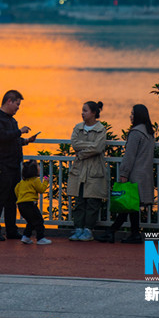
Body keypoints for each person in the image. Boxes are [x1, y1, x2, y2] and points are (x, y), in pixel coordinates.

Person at [0, 89, 38, 241]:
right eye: (17, 104)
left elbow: (12, 140)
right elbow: (1, 138)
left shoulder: (11, 120)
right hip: (2, 165)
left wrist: (25, 141)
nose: (18, 108)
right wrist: (19, 132)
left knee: (12, 199)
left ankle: (11, 230)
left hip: (14, 165)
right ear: (9, 101)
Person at [111, 103, 155, 244]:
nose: (130, 116)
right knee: (132, 205)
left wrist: (124, 173)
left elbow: (129, 156)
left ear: (138, 116)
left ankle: (111, 232)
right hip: (145, 173)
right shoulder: (149, 132)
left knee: (128, 204)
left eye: (132, 114)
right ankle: (132, 233)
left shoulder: (136, 132)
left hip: (134, 174)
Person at [67, 100, 109, 242]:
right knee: (79, 200)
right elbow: (75, 143)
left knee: (92, 201)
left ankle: (88, 230)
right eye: (82, 110)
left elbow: (98, 148)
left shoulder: (101, 129)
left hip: (94, 169)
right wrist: (90, 146)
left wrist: (82, 152)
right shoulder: (78, 127)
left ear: (93, 113)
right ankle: (78, 228)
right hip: (80, 169)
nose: (82, 113)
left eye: (85, 110)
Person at [15, 159, 51, 245]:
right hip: (30, 204)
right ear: (34, 171)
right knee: (39, 221)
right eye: (38, 166)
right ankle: (40, 238)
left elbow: (16, 190)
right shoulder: (35, 180)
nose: (39, 167)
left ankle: (26, 237)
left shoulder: (21, 182)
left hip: (21, 205)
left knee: (31, 221)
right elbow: (41, 190)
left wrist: (21, 198)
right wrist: (46, 182)